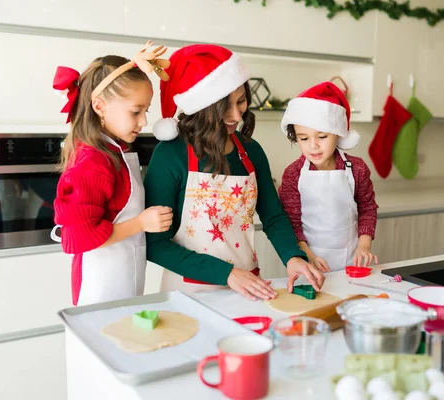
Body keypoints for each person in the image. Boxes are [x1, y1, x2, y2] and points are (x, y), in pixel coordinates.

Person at [145, 44, 325, 301]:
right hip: (189, 292)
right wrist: (227, 273)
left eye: (241, 101)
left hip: (247, 286)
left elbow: (273, 216)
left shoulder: (251, 151)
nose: (236, 114)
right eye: (223, 108)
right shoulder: (170, 155)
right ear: (201, 106)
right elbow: (155, 245)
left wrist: (293, 257)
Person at [52, 42, 174, 306]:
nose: (143, 122)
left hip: (124, 282)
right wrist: (141, 224)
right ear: (99, 106)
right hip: (100, 289)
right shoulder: (93, 161)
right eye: (135, 111)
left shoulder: (116, 149)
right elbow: (78, 238)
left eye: (146, 111)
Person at [278, 82, 379, 271]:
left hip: (352, 259)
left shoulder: (356, 168)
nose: (313, 145)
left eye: (322, 137)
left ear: (338, 134)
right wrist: (308, 256)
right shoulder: (293, 174)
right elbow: (291, 223)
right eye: (304, 138)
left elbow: (367, 209)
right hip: (309, 262)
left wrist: (364, 246)